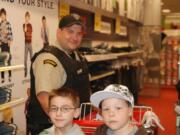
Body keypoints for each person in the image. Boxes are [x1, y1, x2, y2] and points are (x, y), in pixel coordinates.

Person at [26, 14, 90, 134]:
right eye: (70, 32)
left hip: (76, 126)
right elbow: (45, 100)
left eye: (79, 33)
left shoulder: (75, 55)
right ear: (58, 32)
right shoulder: (49, 58)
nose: (75, 37)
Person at [0, 8, 13, 83]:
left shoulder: (8, 23)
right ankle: (2, 78)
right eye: (1, 15)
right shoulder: (0, 24)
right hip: (2, 44)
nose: (2, 16)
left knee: (8, 60)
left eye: (3, 15)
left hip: (7, 44)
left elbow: (10, 33)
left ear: (5, 15)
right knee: (2, 61)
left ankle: (10, 75)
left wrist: (10, 40)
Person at [23, 11, 33, 77]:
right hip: (26, 44)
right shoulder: (24, 25)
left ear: (29, 18)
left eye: (28, 17)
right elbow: (25, 30)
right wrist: (26, 23)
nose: (27, 18)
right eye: (26, 17)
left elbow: (30, 33)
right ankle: (25, 72)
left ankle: (31, 71)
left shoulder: (31, 25)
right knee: (25, 59)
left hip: (30, 43)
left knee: (32, 59)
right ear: (25, 17)